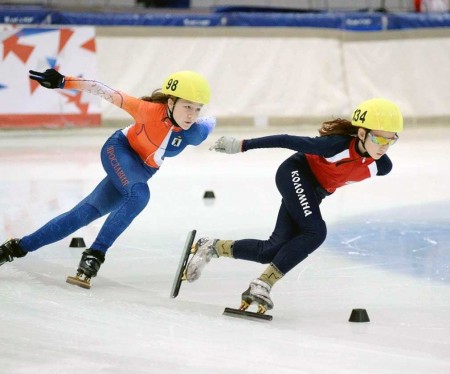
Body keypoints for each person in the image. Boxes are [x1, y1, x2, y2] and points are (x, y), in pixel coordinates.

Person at [184, 98, 403, 314]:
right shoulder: (334, 145)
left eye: (391, 140)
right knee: (316, 231)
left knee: (269, 251)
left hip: (314, 193)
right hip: (295, 173)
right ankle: (263, 284)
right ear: (362, 133)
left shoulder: (382, 166)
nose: (385, 147)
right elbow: (286, 140)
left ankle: (211, 246)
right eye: (379, 139)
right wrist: (242, 145)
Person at [0, 68, 215, 287]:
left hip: (141, 171)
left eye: (197, 109)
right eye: (187, 106)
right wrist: (64, 81)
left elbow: (210, 121)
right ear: (170, 103)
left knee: (82, 215)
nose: (191, 115)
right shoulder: (147, 110)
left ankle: (15, 248)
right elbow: (102, 90)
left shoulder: (195, 132)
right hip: (119, 150)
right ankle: (95, 254)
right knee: (139, 195)